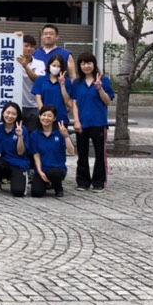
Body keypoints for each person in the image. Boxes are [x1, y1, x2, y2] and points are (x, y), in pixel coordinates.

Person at [70, 51, 115, 190]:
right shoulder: (77, 83)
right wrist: (76, 121)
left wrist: (100, 88)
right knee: (82, 154)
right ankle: (83, 182)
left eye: (89, 63)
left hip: (99, 123)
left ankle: (98, 182)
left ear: (94, 64)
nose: (86, 66)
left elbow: (108, 102)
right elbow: (74, 103)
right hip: (82, 124)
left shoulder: (104, 80)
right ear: (80, 66)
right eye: (83, 63)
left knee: (99, 154)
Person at [30, 105, 75, 198]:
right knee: (36, 193)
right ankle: (46, 184)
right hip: (43, 169)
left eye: (49, 116)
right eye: (44, 115)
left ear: (54, 118)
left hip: (57, 169)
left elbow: (71, 152)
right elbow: (36, 155)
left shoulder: (59, 133)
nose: (46, 118)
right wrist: (39, 171)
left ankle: (58, 188)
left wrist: (66, 136)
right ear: (39, 116)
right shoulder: (35, 134)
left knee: (53, 173)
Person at [0, 102, 30, 197]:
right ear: (3, 113)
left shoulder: (22, 129)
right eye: (7, 113)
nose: (10, 116)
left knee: (18, 192)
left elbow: (20, 152)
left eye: (13, 114)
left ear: (18, 116)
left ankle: (19, 178)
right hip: (5, 162)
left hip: (19, 164)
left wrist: (20, 136)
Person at [32, 52, 74, 126]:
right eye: (54, 65)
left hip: (61, 117)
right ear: (49, 65)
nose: (56, 68)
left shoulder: (66, 81)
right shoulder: (41, 80)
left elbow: (67, 101)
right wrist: (44, 114)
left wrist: (62, 85)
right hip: (44, 118)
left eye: (58, 66)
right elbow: (38, 98)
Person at [16, 34, 47, 130]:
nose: (29, 49)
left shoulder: (39, 63)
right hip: (16, 105)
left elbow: (38, 80)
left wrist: (25, 66)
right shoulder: (12, 61)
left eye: (32, 46)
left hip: (33, 105)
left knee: (31, 134)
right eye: (26, 46)